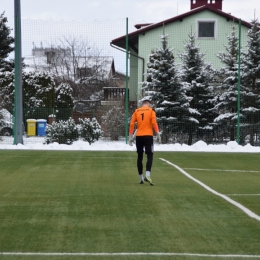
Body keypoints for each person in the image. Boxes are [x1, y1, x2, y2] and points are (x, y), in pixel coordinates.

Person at [129, 99, 161, 185]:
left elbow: (132, 124)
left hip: (139, 136)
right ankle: (147, 175)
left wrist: (130, 136)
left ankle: (140, 178)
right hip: (148, 136)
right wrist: (158, 134)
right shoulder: (151, 111)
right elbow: (154, 123)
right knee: (150, 155)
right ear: (148, 104)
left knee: (140, 156)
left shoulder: (137, 111)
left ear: (142, 105)